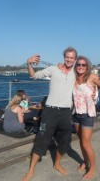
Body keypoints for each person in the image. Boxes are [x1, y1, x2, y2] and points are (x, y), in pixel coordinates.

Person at [22, 46, 77, 181]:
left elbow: (88, 82)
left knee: (64, 141)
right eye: (67, 57)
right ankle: (31, 171)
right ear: (64, 57)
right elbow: (33, 76)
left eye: (72, 58)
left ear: (75, 59)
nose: (69, 60)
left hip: (66, 112)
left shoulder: (76, 72)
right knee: (41, 139)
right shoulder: (53, 69)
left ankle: (57, 164)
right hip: (50, 111)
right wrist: (28, 63)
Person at [72, 56, 100, 179]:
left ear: (87, 66)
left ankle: (92, 168)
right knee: (81, 141)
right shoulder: (73, 78)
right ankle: (85, 162)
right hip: (76, 114)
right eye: (78, 64)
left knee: (86, 143)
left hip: (87, 115)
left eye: (83, 65)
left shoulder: (92, 77)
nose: (81, 67)